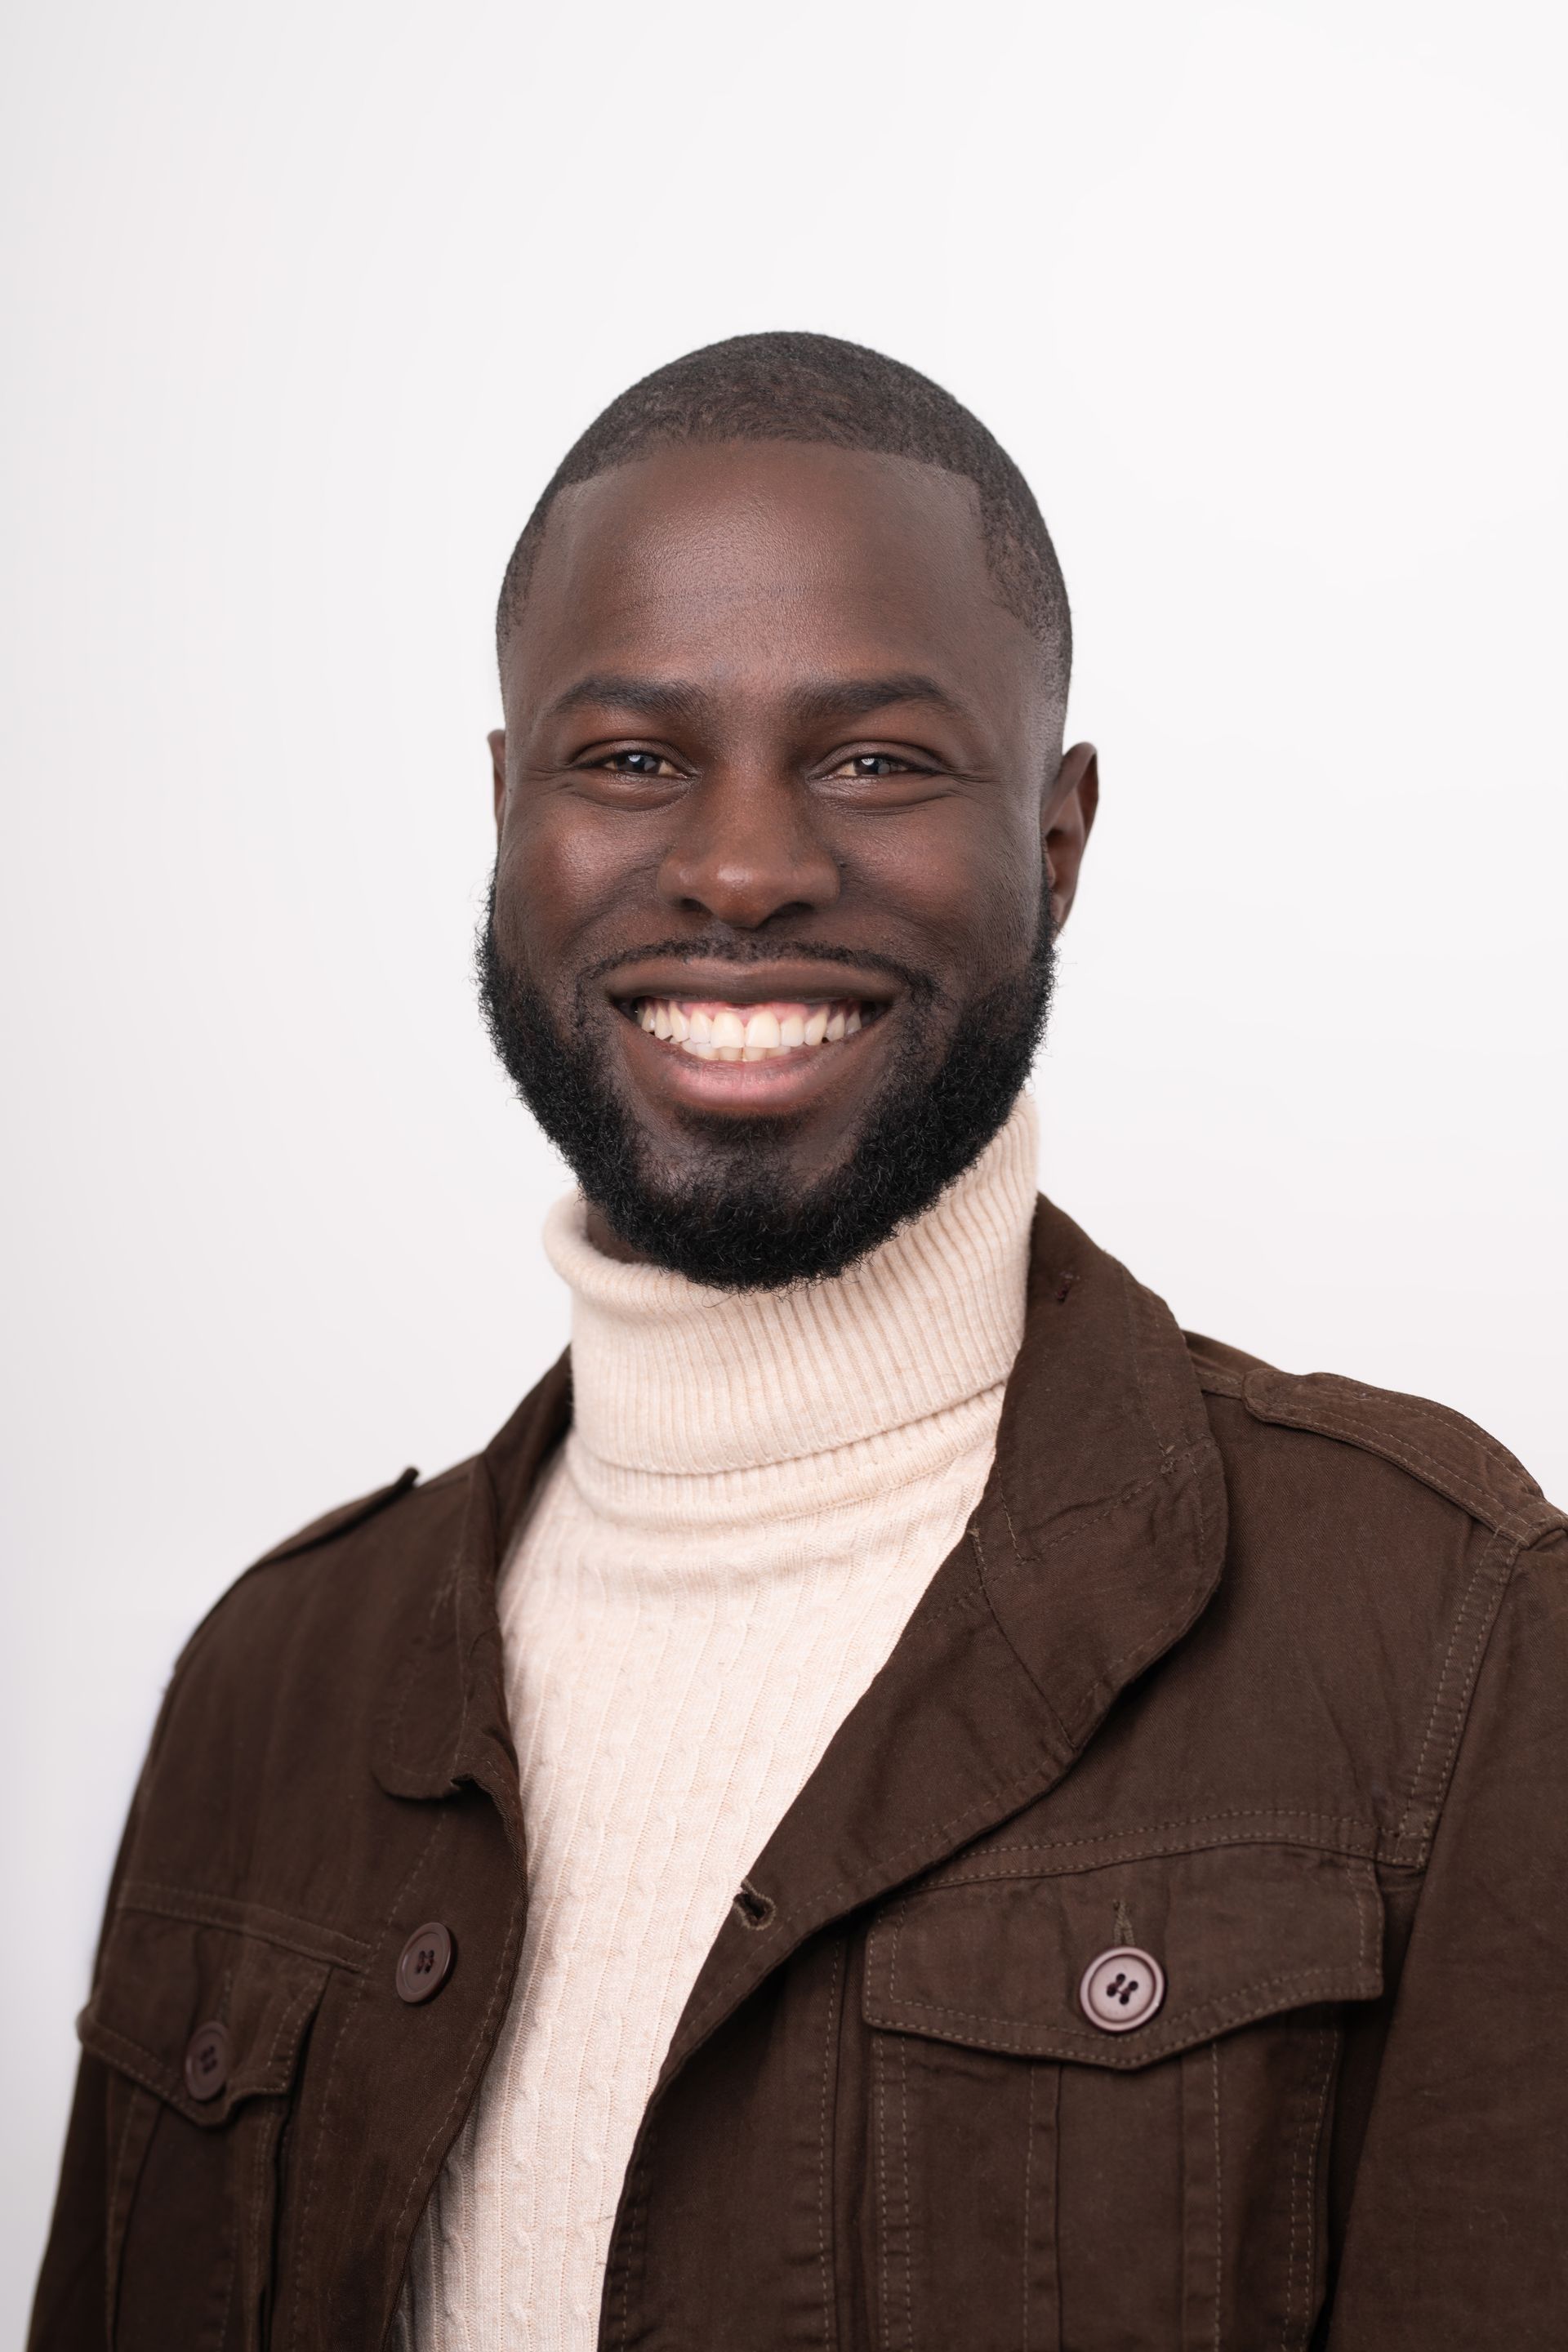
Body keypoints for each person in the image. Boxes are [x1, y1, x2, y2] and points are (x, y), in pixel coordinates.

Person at [29, 332, 1566, 2352]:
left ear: (1059, 837)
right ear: (511, 817)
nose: (743, 868)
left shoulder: (1445, 1637)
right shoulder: (265, 1689)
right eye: (634, 760)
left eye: (871, 759)